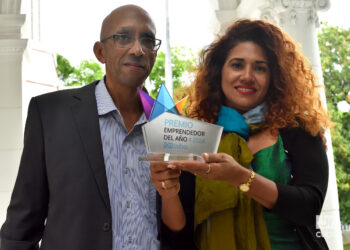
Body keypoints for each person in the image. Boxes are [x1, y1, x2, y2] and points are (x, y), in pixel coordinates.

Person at [151, 19, 330, 250]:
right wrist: (168, 193)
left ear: (274, 77)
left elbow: (309, 207)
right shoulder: (193, 135)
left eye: (260, 67)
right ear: (219, 72)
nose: (247, 75)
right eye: (237, 65)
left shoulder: (299, 130)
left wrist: (240, 177)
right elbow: (178, 235)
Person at [0, 5, 163, 250]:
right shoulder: (50, 114)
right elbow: (22, 225)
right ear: (100, 52)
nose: (138, 49)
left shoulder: (168, 124)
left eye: (148, 41)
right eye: (123, 38)